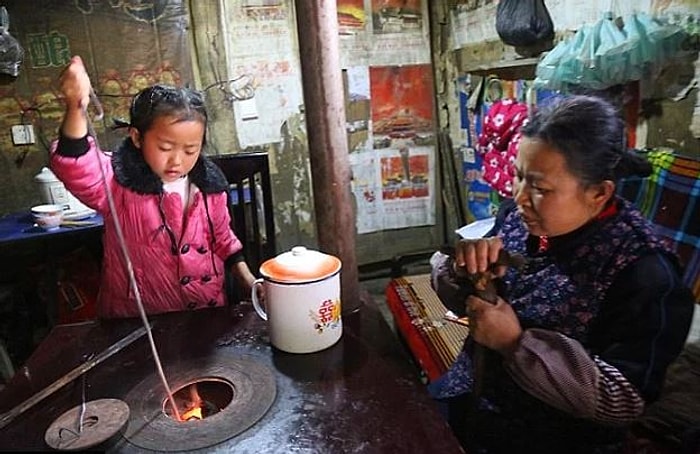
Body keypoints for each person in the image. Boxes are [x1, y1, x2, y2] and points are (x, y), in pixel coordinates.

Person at [430, 95, 694, 453]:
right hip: (473, 398)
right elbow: (470, 297)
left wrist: (514, 344)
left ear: (599, 193)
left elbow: (622, 401)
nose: (519, 197)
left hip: (553, 439)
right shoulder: (519, 219)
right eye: (519, 177)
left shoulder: (647, 274)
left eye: (540, 188)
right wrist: (466, 273)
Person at [50, 55, 257, 319]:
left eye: (190, 150)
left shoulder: (209, 187)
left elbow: (224, 241)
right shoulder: (117, 181)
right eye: (165, 148)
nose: (177, 161)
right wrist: (76, 107)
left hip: (204, 317)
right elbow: (75, 165)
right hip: (135, 321)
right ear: (137, 137)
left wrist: (249, 281)